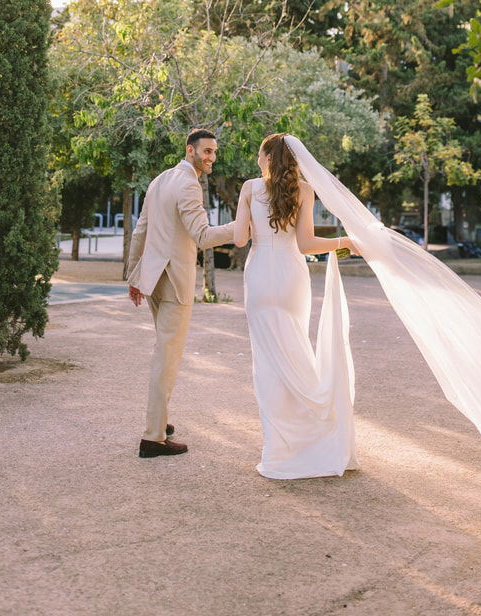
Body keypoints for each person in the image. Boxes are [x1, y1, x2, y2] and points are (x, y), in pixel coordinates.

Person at [275, 133, 481, 606]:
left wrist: (346, 242)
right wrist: (349, 241)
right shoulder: (287, 190)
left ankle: (289, 443)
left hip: (271, 280)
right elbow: (305, 238)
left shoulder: (265, 189)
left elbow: (296, 239)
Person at [234, 133, 359, 479]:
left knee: (268, 364)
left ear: (267, 158)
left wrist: (243, 222)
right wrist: (344, 242)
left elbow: (240, 240)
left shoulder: (248, 188)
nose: (257, 160)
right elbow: (306, 245)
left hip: (259, 276)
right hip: (291, 277)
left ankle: (279, 449)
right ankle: (316, 435)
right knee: (296, 349)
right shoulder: (304, 191)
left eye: (260, 155)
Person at [124, 128, 235, 459]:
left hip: (154, 279)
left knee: (163, 352)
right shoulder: (188, 183)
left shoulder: (160, 179)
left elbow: (141, 229)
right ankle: (153, 438)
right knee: (166, 359)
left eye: (214, 152)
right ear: (190, 150)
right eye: (206, 151)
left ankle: (160, 421)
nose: (211, 157)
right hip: (173, 283)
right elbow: (201, 236)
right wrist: (242, 225)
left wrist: (134, 276)